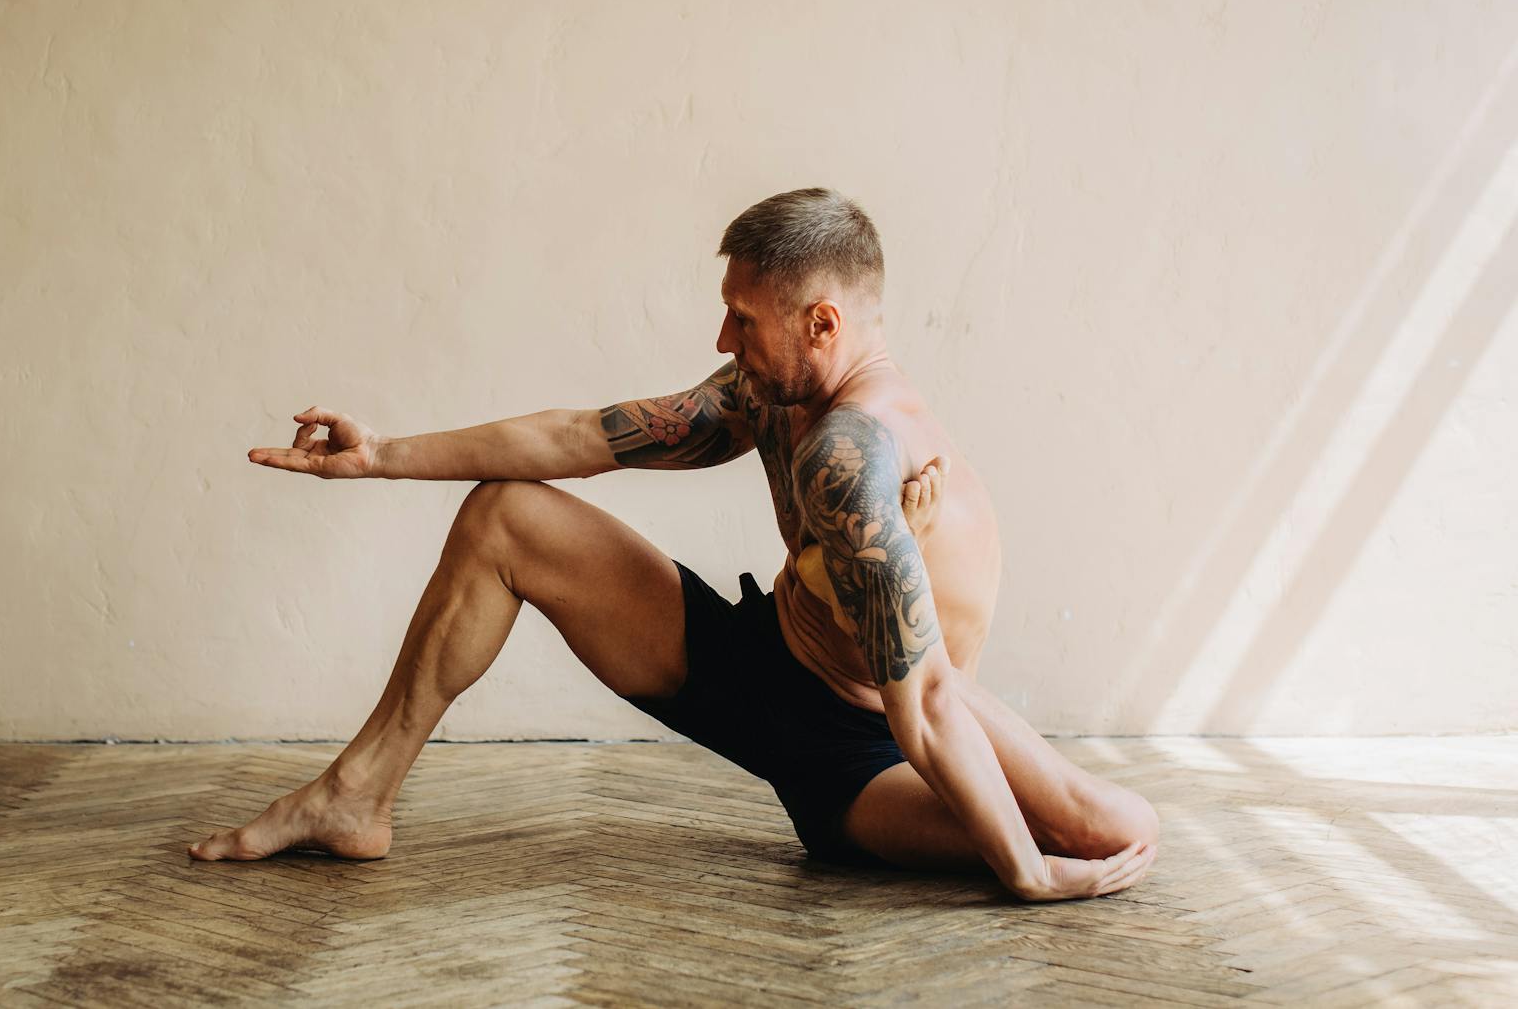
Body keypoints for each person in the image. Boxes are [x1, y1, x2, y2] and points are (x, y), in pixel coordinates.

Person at [191, 187, 1158, 901]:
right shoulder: (768, 397)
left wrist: (1027, 874)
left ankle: (1014, 847)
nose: (724, 334)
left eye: (744, 317)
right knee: (507, 515)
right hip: (763, 660)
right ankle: (354, 797)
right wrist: (381, 457)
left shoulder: (851, 454)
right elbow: (579, 438)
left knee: (1114, 828)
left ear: (821, 322)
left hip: (868, 754)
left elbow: (933, 699)